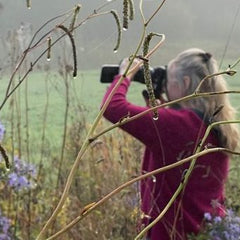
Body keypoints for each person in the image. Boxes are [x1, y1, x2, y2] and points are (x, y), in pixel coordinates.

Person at [101, 48, 239, 240]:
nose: (166, 87)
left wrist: (125, 75)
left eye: (169, 82)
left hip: (172, 233)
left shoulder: (177, 125)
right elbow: (174, 145)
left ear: (185, 83)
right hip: (209, 232)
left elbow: (112, 107)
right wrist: (160, 110)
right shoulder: (216, 123)